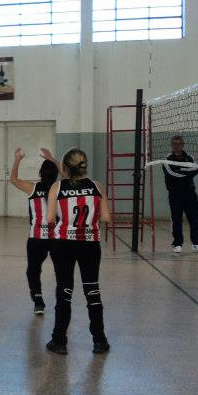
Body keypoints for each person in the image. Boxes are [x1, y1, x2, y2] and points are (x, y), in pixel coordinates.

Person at [45, 148, 111, 355]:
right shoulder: (97, 186)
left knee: (64, 291)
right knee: (92, 290)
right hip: (90, 244)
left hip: (63, 244)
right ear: (85, 166)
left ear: (65, 167)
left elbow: (49, 219)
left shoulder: (57, 187)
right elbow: (106, 218)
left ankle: (59, 341)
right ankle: (99, 341)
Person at [9, 147, 59, 315]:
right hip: (58, 238)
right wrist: (52, 159)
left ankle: (38, 301)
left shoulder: (32, 187)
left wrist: (18, 159)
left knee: (33, 270)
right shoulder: (61, 188)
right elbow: (69, 176)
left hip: (37, 238)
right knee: (61, 270)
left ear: (40, 173)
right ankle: (62, 301)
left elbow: (13, 179)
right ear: (56, 174)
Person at [162, 135, 198, 254]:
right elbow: (171, 174)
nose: (177, 146)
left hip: (190, 193)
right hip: (175, 194)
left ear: (182, 145)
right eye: (175, 144)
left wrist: (180, 171)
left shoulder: (190, 158)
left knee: (196, 218)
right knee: (176, 219)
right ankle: (177, 243)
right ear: (171, 145)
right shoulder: (167, 159)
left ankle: (196, 244)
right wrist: (185, 172)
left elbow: (195, 170)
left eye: (179, 144)